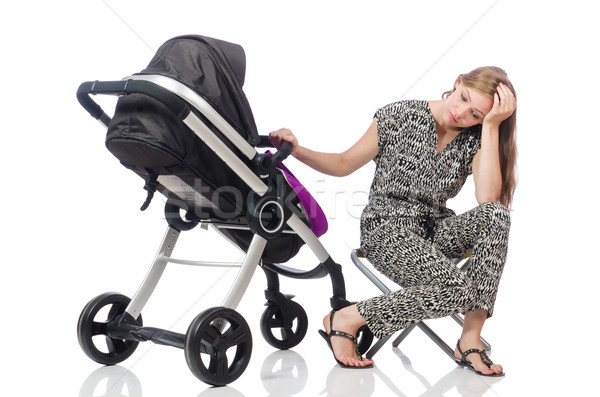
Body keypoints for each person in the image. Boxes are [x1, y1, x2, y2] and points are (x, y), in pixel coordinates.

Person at [269, 66, 517, 376]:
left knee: (497, 216)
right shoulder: (400, 115)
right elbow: (344, 163)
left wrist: (491, 126)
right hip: (387, 227)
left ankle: (470, 339)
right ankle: (346, 318)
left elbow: (488, 199)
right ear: (457, 83)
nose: (461, 113)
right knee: (459, 289)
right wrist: (295, 150)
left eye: (475, 114)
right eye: (463, 98)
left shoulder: (478, 138)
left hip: (436, 228)